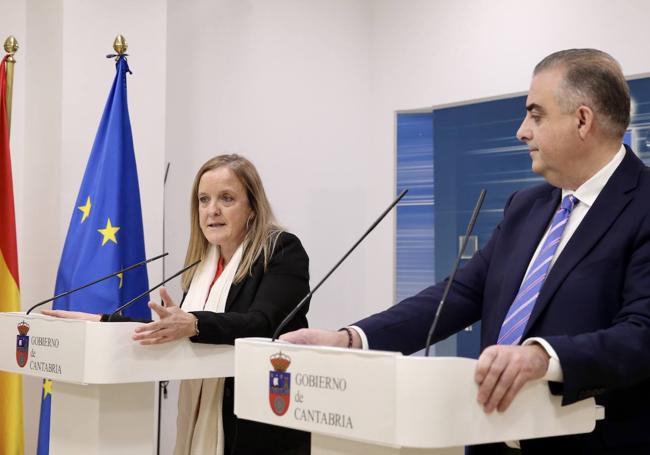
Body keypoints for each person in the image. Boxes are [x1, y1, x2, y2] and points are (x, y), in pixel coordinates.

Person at [282, 49, 650, 454]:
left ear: (582, 120)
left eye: (536, 114)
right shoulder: (525, 207)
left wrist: (545, 357)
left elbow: (642, 333)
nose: (522, 131)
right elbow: (459, 294)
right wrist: (351, 340)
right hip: (487, 437)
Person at [44, 154, 311, 455]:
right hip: (210, 422)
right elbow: (175, 329)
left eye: (227, 198)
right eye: (203, 199)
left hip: (260, 427)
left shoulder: (281, 251)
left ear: (252, 206)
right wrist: (100, 322)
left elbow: (263, 324)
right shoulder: (203, 268)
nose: (212, 210)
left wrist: (194, 324)